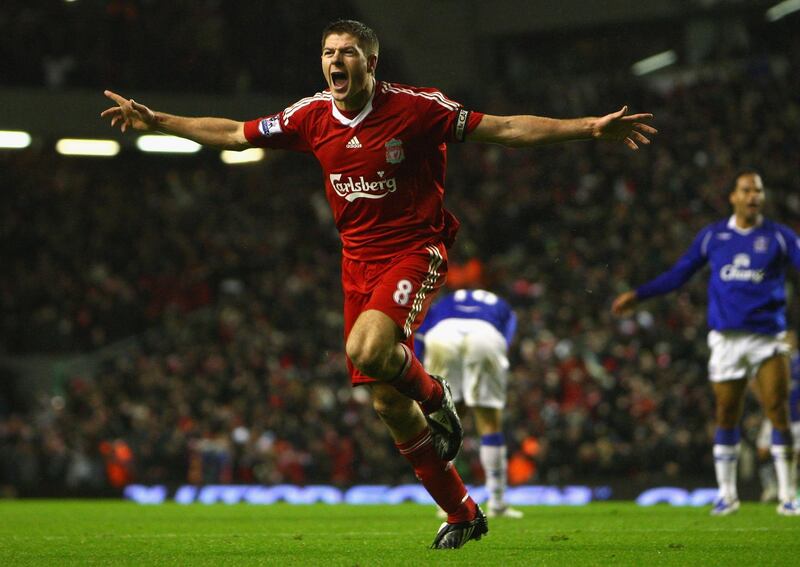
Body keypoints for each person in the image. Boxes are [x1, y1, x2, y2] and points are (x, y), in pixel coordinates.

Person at [102, 19, 657, 548]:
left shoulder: (416, 108)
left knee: (367, 349)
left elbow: (505, 128)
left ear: (370, 60)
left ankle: (438, 396)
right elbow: (234, 133)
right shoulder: (311, 116)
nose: (334, 61)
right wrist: (158, 120)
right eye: (327, 53)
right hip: (357, 264)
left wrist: (588, 128)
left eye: (345, 52)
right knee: (388, 404)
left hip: (416, 249)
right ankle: (463, 512)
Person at [612, 171, 800, 516]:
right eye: (746, 190)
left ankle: (790, 495)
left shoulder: (781, 237)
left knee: (778, 412)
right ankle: (727, 494)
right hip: (726, 339)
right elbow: (679, 273)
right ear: (733, 196)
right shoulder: (714, 236)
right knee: (726, 414)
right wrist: (639, 295)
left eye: (758, 190)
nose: (753, 196)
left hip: (767, 338)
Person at [415, 288, 523, 519]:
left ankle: (445, 503)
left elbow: (420, 335)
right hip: (486, 335)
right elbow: (505, 340)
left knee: (446, 420)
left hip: (442, 335)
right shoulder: (502, 306)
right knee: (489, 423)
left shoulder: (445, 302)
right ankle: (498, 502)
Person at [753, 331, 800, 502]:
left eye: (790, 338)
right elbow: (755, 382)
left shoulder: (797, 361)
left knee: (795, 454)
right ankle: (771, 486)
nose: (787, 341)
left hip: (796, 417)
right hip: (774, 414)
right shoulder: (772, 360)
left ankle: (791, 488)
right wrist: (764, 400)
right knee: (763, 451)